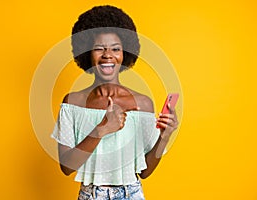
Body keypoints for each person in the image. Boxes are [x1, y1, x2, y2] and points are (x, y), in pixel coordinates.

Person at [51, 5, 179, 200]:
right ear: (87, 53)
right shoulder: (73, 102)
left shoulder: (142, 104)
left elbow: (145, 172)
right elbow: (67, 167)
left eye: (116, 49)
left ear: (125, 53)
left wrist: (165, 136)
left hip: (132, 194)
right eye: (99, 49)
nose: (107, 55)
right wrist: (101, 129)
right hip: (90, 195)